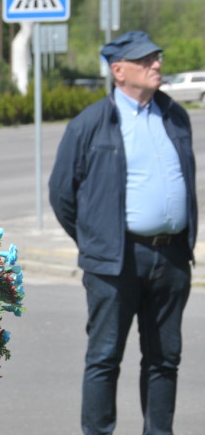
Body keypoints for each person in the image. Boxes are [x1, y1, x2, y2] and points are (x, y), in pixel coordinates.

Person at [48, 30, 197, 435]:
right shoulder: (91, 123)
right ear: (119, 71)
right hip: (115, 261)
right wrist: (96, 241)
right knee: (104, 357)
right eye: (145, 60)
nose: (156, 65)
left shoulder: (174, 116)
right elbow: (62, 193)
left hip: (170, 258)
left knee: (165, 358)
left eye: (157, 57)